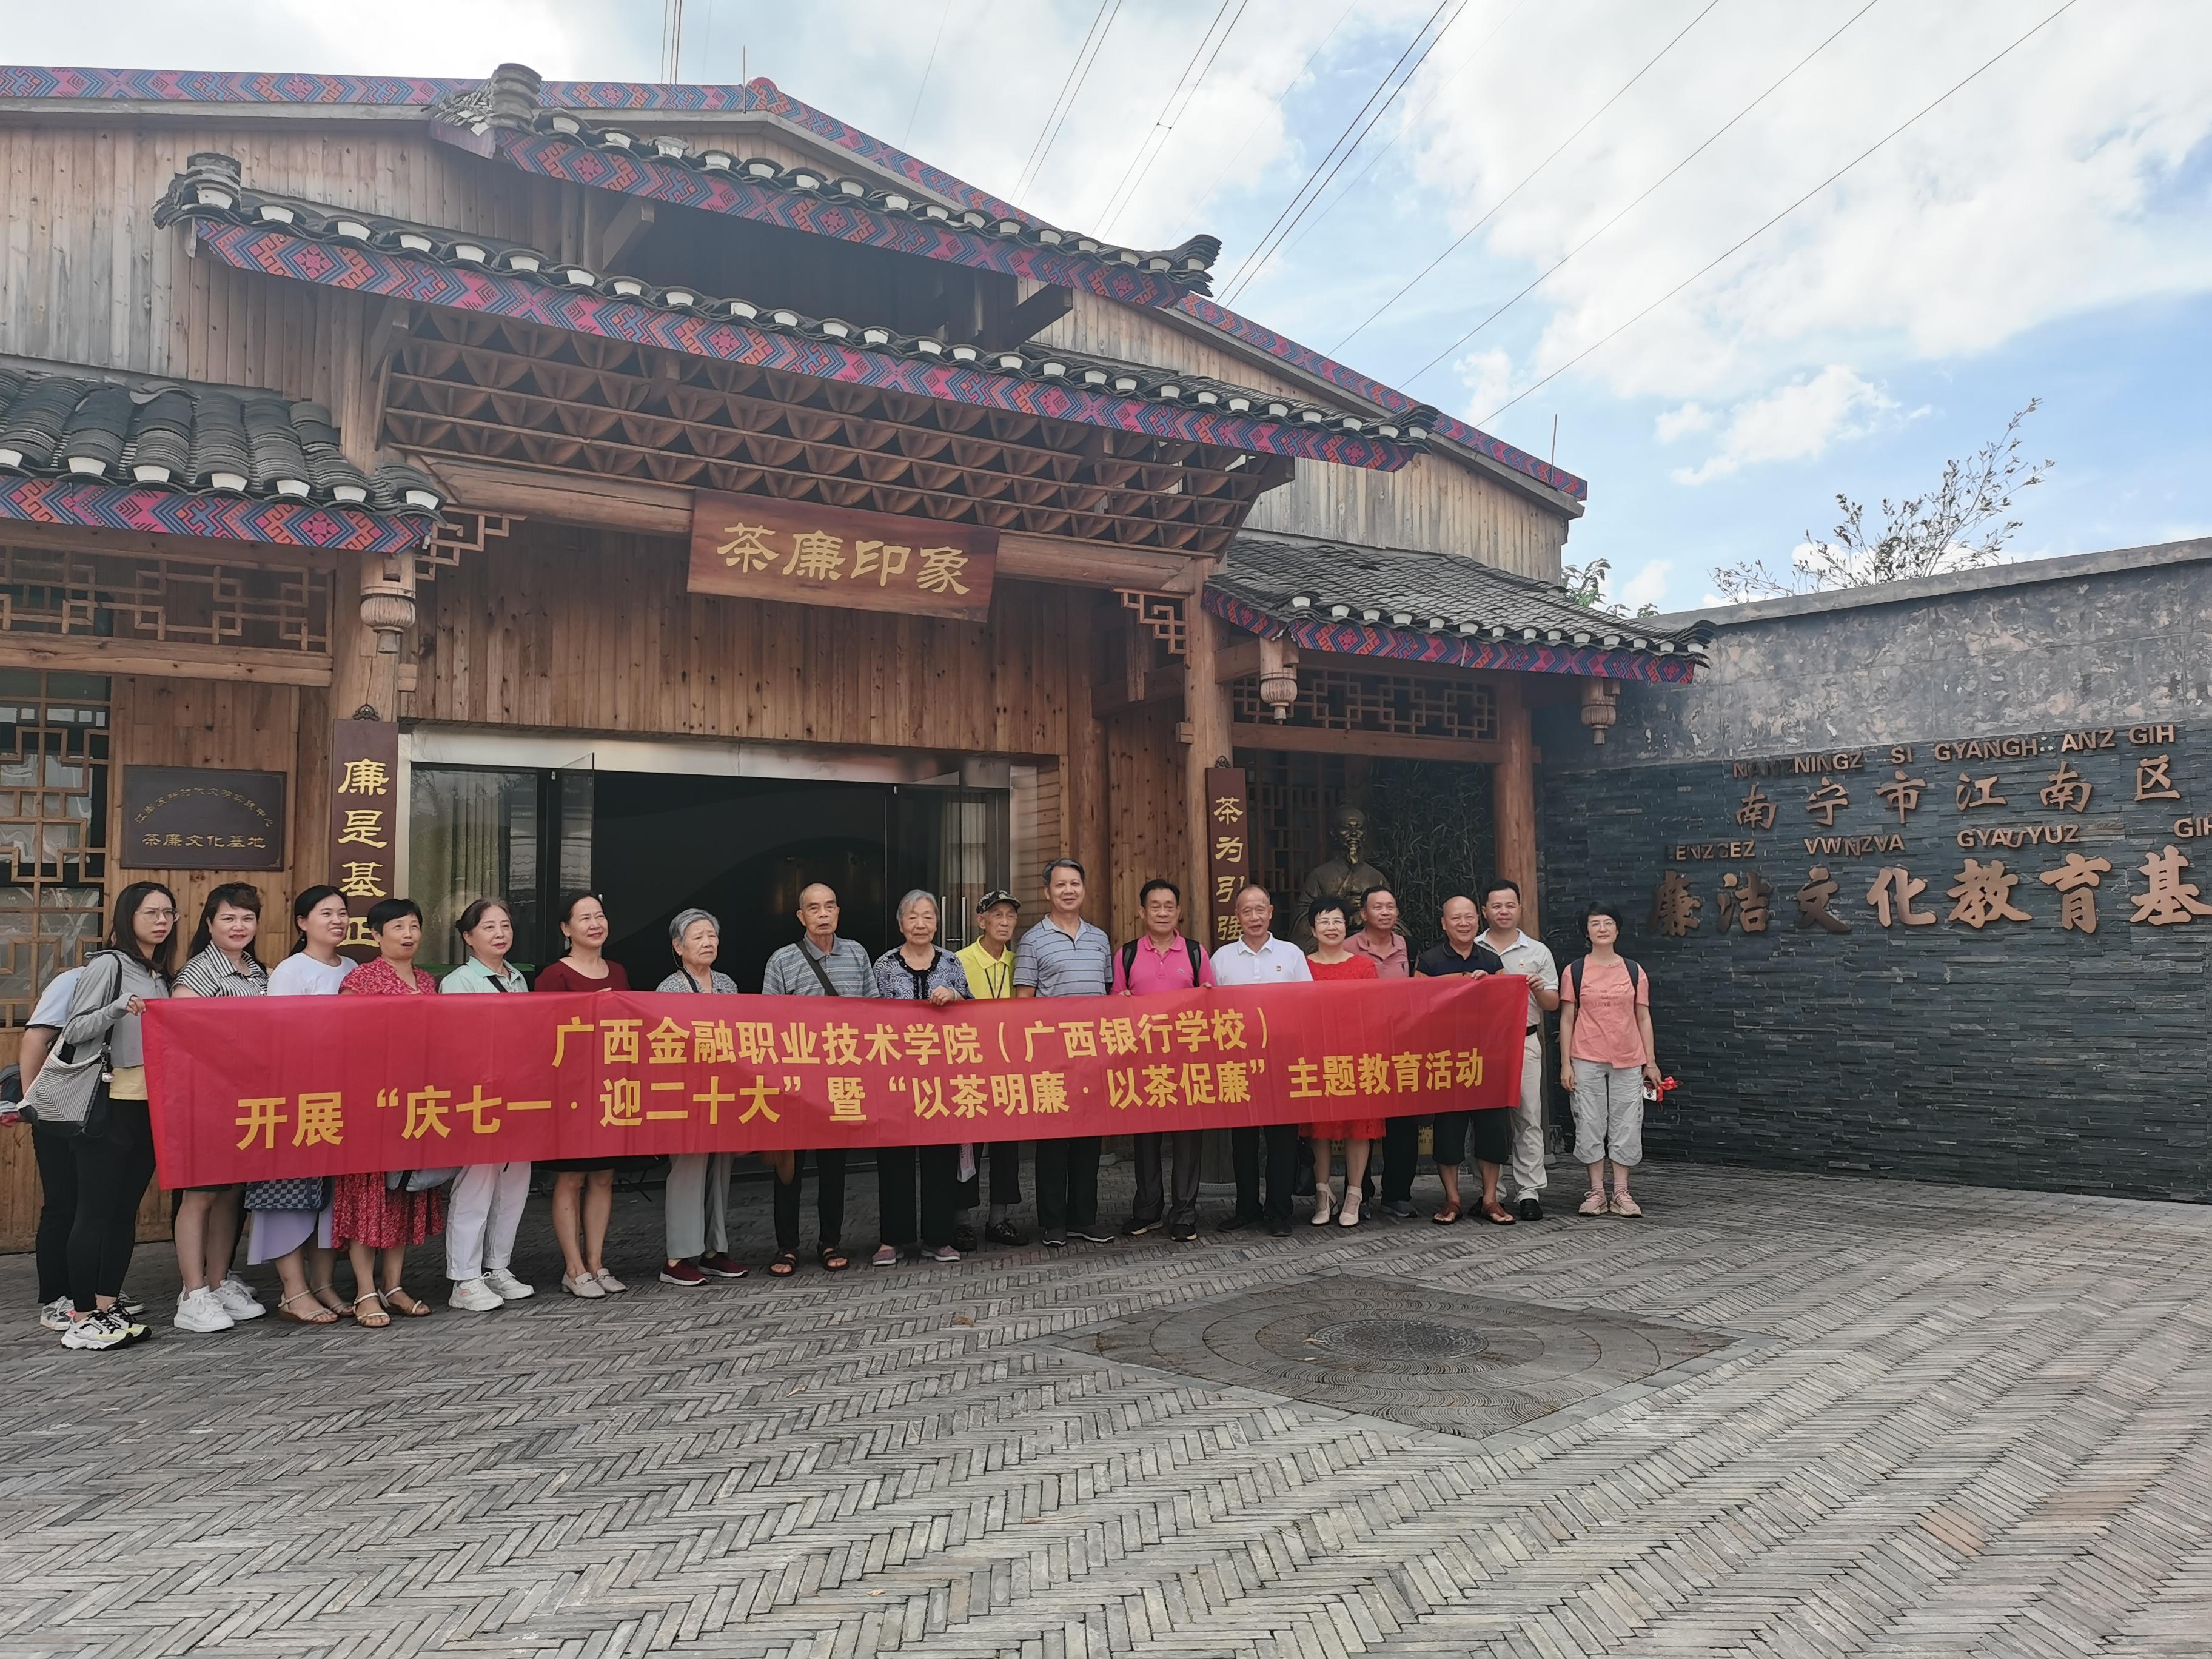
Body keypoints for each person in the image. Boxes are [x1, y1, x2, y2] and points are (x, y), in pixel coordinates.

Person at [53, 882, 176, 1350]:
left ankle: (107, 1306)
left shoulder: (160, 973)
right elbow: (74, 1028)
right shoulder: (109, 964)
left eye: (168, 913)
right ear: (129, 917)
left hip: (149, 1105)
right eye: (151, 913)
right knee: (94, 1212)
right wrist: (116, 1009)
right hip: (106, 1104)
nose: (161, 921)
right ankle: (82, 1315)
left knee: (125, 1212)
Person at [333, 897, 445, 1327]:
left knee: (405, 1193)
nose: (408, 934)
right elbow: (347, 1042)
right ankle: (365, 1291)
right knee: (368, 1195)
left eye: (414, 925)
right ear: (376, 935)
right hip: (372, 1103)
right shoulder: (360, 980)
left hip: (417, 1102)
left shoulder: (428, 981)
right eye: (397, 926)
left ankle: (393, 1285)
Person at [167, 883, 271, 1333]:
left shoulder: (255, 969)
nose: (239, 926)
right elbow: (183, 1035)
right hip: (206, 1096)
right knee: (200, 1194)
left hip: (247, 1099)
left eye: (247, 918)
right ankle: (192, 1295)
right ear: (209, 924)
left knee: (231, 1193)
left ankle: (217, 1280)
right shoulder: (197, 973)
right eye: (228, 918)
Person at [760, 882, 878, 1275]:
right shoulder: (782, 960)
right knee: (788, 1168)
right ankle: (787, 1247)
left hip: (841, 1080)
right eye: (814, 908)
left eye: (830, 906)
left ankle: (831, 1242)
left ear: (839, 912)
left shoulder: (858, 954)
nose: (823, 914)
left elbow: (874, 1014)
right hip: (796, 1081)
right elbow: (768, 1024)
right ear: (801, 916)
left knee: (833, 1167)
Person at [252, 886, 355, 1325]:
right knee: (289, 1195)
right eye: (326, 913)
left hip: (341, 1096)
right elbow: (280, 1037)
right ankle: (293, 1291)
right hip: (298, 1096)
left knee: (330, 1197)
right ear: (302, 922)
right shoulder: (292, 970)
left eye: (342, 913)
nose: (337, 920)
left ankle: (324, 1284)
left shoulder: (352, 968)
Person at [440, 898, 538, 1313]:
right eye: (489, 927)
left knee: (513, 1185)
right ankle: (464, 1279)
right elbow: (456, 1045)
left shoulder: (518, 978)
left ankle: (497, 1267)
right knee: (476, 1186)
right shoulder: (459, 982)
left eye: (505, 926)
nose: (500, 934)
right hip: (479, 1097)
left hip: (518, 1095)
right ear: (468, 937)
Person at [532, 890, 631, 1299]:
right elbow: (541, 1035)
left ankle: (596, 1262)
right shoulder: (553, 976)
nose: (595, 924)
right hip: (570, 1093)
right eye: (585, 918)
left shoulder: (618, 971)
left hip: (610, 1089)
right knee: (571, 1178)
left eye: (600, 916)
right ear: (566, 928)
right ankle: (573, 1269)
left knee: (604, 1177)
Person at [1013, 858, 1114, 1248]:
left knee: (1089, 1141)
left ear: (1083, 890)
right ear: (1047, 892)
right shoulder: (1033, 940)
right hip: (1051, 1058)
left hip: (1093, 1057)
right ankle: (1053, 1221)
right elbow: (1024, 1001)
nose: (1068, 891)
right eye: (1060, 885)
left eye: (1075, 884)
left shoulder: (1100, 939)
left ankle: (1083, 1219)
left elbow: (1108, 995)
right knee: (1053, 1142)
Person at [1111, 878, 1213, 1243]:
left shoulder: (1196, 953)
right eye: (1155, 906)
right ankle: (1147, 1210)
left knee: (1187, 1141)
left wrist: (1207, 997)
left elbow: (1212, 1005)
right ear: (1142, 912)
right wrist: (1121, 1002)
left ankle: (1184, 1213)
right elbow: (1115, 1006)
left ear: (1179, 912)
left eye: (1169, 906)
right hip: (1143, 1064)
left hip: (1187, 1064)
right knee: (1146, 1141)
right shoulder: (1127, 955)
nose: (1162, 912)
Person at [871, 891, 970, 1265]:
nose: (921, 924)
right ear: (900, 924)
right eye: (913, 917)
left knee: (940, 1157)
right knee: (894, 1156)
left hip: (941, 1077)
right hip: (894, 1076)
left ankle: (938, 1238)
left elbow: (972, 1010)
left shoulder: (952, 962)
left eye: (928, 917)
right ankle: (892, 1239)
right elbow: (867, 1016)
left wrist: (955, 996)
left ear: (937, 923)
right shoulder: (884, 966)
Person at [1208, 882, 1312, 1238]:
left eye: (1260, 909)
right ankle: (1247, 1208)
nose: (1254, 917)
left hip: (1283, 1061)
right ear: (1237, 916)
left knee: (1283, 1141)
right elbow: (1210, 1012)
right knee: (1243, 1141)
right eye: (1246, 910)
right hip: (1239, 1063)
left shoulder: (1292, 954)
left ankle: (1279, 1211)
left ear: (1271, 912)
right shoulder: (1221, 958)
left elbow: (1307, 1005)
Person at [654, 907, 746, 1288]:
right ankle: (677, 1258)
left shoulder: (727, 984)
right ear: (678, 947)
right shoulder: (669, 989)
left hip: (722, 1094)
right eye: (698, 937)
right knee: (688, 1173)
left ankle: (714, 1251)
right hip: (685, 1095)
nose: (708, 942)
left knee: (720, 1171)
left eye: (712, 935)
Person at [1557, 903, 1661, 1219]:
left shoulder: (1634, 971)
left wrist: (1651, 1062)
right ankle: (1596, 1192)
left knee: (1628, 1122)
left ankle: (1621, 1192)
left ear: (1617, 929)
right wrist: (1565, 1064)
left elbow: (1643, 1017)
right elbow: (1566, 1019)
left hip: (1629, 1058)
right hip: (1585, 1056)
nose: (1602, 929)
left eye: (1608, 923)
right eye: (1595, 924)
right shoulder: (1574, 971)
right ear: (1586, 932)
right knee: (1589, 1121)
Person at [1415, 896, 1509, 1226]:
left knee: (1492, 1129)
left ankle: (1490, 1199)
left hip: (1487, 1056)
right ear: (1444, 923)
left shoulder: (1492, 959)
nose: (1464, 923)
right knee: (1448, 1130)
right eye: (1456, 918)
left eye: (1469, 917)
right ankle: (1452, 1199)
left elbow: (1505, 1005)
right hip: (1446, 1058)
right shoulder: (1429, 960)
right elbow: (1417, 1004)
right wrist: (1454, 983)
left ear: (1478, 921)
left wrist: (1490, 984)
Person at [1476, 877, 1561, 1221]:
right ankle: (1491, 1193)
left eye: (1510, 905)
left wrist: (1539, 989)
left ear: (1520, 909)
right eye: (1496, 905)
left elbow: (1552, 1004)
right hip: (1481, 1046)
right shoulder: (1473, 948)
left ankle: (1529, 1192)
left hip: (1524, 1040)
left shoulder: (1538, 952)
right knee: (1486, 1121)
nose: (1504, 911)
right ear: (1485, 911)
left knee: (1528, 1117)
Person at [1300, 895, 1381, 1227]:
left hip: (1357, 1056)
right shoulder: (1301, 966)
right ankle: (1323, 1194)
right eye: (1324, 921)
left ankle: (1354, 1195)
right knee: (1319, 1127)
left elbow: (1374, 1013)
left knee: (1358, 1127)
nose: (1331, 927)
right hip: (1315, 1056)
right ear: (1312, 929)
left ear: (1347, 926)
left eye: (1337, 921)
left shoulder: (1364, 967)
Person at [952, 890, 1024, 1247]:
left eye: (1010, 915)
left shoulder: (1019, 962)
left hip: (1009, 1069)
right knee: (967, 1147)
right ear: (981, 921)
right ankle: (961, 1220)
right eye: (997, 915)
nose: (1005, 922)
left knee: (1006, 1147)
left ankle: (1000, 1219)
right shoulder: (958, 961)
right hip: (969, 1068)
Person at [21, 964, 87, 1332]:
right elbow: (35, 1038)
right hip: (57, 1107)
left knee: (95, 1204)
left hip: (103, 1109)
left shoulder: (154, 978)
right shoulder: (73, 980)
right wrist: (31, 1102)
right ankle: (55, 1297)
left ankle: (89, 1290)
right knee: (63, 1202)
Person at [1352, 886, 1416, 1215]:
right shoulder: (1348, 947)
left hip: (1401, 1045)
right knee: (1363, 1121)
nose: (1385, 912)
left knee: (1403, 1121)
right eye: (1377, 907)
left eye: (1391, 906)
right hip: (1361, 1046)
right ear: (1364, 914)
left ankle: (1397, 1192)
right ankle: (1360, 1194)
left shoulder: (1408, 946)